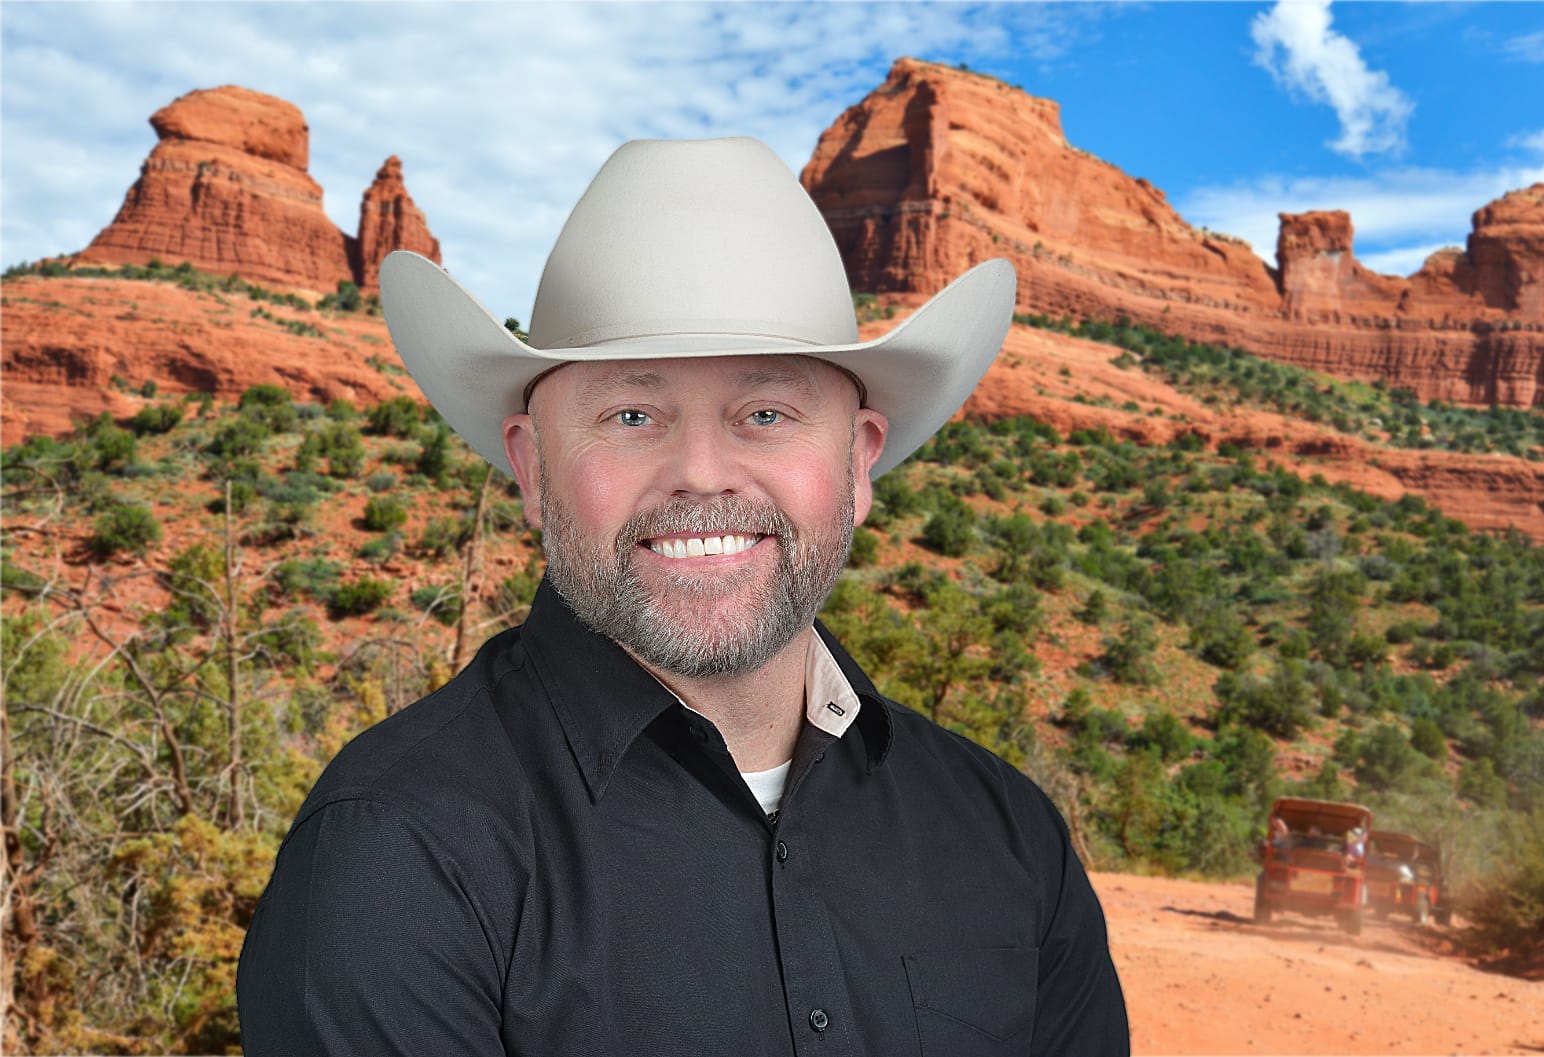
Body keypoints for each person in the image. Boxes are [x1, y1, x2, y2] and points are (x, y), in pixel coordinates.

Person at [236, 136, 1129, 1055]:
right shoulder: (396, 855)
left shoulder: (1007, 836)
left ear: (858, 461)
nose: (702, 475)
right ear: (533, 467)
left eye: (766, 414)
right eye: (633, 416)